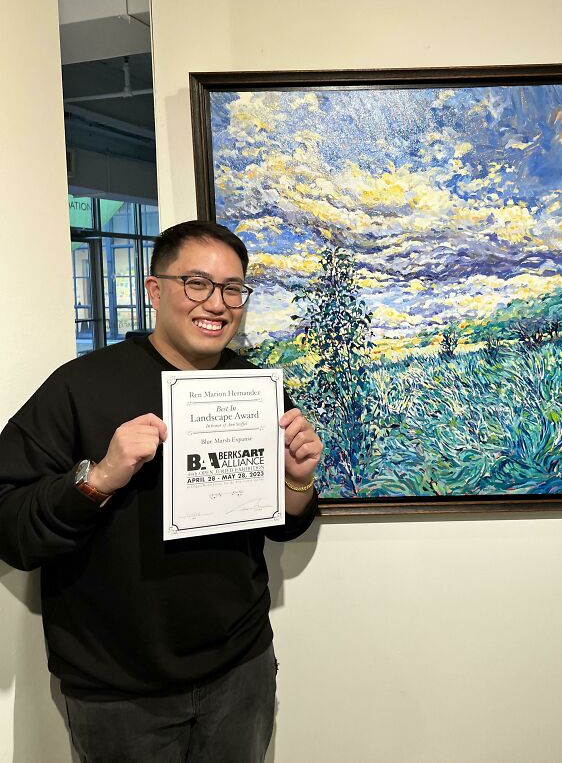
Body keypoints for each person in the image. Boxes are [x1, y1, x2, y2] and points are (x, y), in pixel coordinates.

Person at [0, 220, 322, 763]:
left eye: (232, 288)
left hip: (239, 669)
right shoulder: (80, 386)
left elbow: (281, 523)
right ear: (155, 290)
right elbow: (9, 526)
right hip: (118, 690)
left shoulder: (253, 387)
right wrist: (98, 477)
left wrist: (298, 478)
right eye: (196, 283)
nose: (216, 303)